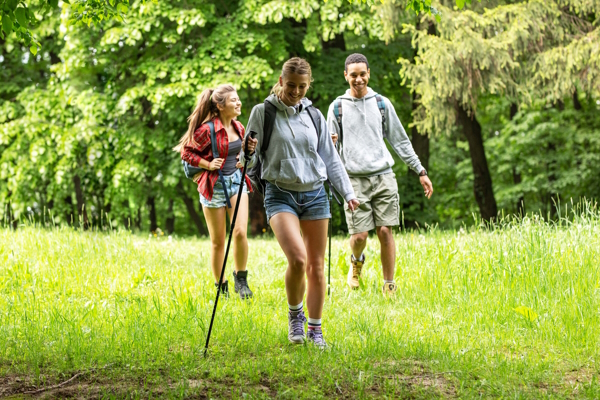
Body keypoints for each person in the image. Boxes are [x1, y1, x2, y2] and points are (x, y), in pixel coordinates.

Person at [245, 58, 359, 348]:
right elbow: (248, 162)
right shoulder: (263, 112)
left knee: (317, 267)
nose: (296, 91)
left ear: (309, 86)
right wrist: (246, 153)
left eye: (302, 86)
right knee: (298, 259)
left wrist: (348, 193)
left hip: (315, 194)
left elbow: (329, 158)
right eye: (291, 85)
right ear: (281, 81)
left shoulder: (314, 115)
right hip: (280, 192)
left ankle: (315, 329)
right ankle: (295, 314)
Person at [327, 53, 434, 295]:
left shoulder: (381, 104)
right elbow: (329, 150)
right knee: (360, 236)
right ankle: (356, 262)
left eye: (362, 74)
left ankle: (389, 284)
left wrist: (420, 170)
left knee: (385, 230)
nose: (358, 79)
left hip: (384, 175)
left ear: (368, 74)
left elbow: (400, 141)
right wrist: (331, 144)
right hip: (353, 179)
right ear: (346, 75)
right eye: (353, 75)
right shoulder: (337, 107)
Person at [174, 84, 258, 300]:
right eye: (233, 100)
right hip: (214, 187)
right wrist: (207, 164)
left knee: (240, 232)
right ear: (221, 106)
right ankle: (221, 286)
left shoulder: (239, 127)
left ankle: (241, 279)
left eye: (238, 99)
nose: (238, 103)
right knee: (218, 241)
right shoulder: (207, 129)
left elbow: (240, 154)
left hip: (236, 182)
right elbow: (187, 153)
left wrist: (247, 153)